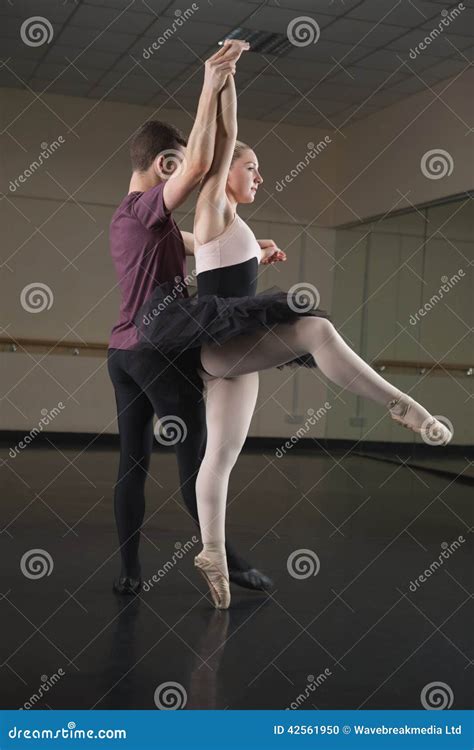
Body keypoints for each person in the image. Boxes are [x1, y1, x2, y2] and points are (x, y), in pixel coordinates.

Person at [134, 41, 453, 609]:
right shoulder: (212, 200)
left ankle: (212, 550)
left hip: (230, 349)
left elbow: (227, 267)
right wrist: (222, 78)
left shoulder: (231, 221)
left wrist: (259, 257)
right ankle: (402, 405)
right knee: (314, 330)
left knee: (221, 456)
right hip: (225, 341)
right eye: (251, 168)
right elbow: (225, 136)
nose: (260, 175)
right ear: (225, 172)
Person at [107, 40, 273, 596]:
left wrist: (255, 247)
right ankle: (224, 559)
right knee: (196, 455)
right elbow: (203, 162)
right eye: (175, 168)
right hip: (152, 354)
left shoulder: (131, 223)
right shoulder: (143, 206)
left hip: (121, 356)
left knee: (133, 464)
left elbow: (201, 245)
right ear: (162, 165)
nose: (185, 178)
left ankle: (130, 574)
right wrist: (210, 83)